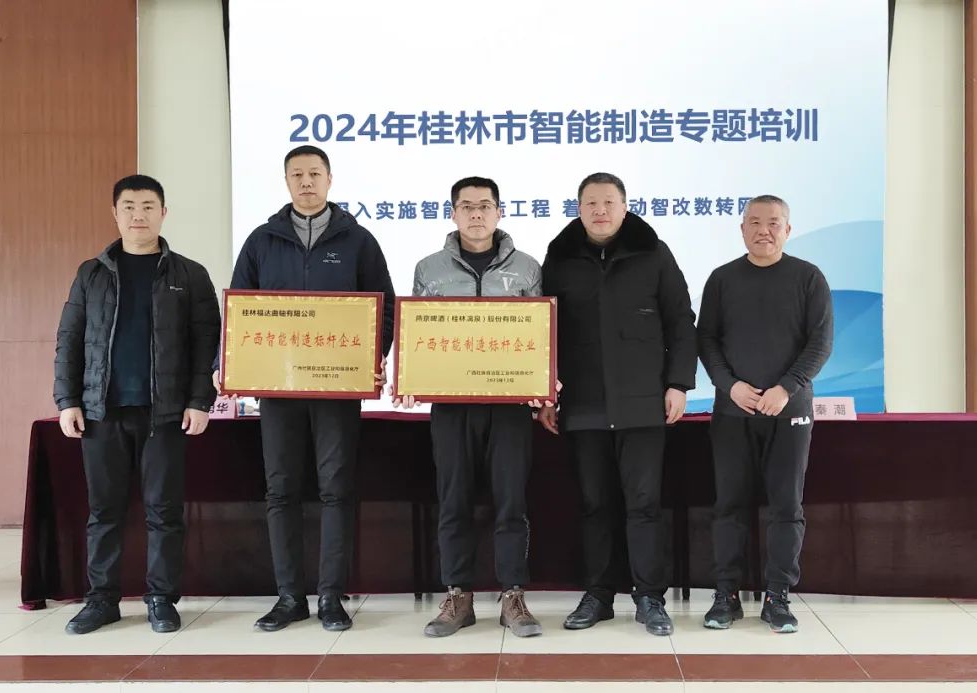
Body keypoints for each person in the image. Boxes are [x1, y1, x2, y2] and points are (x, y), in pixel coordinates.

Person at [217, 145, 395, 632]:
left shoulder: (358, 240)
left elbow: (384, 310)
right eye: (297, 175)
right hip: (278, 389)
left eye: (315, 173)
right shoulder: (261, 241)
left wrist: (370, 359)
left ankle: (332, 597)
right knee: (281, 491)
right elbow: (239, 313)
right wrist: (224, 363)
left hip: (338, 391)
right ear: (286, 182)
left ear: (330, 179)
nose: (306, 182)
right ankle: (290, 597)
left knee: (336, 490)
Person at [54, 174, 220, 634]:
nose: (138, 215)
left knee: (164, 511)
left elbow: (207, 343)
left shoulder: (189, 274)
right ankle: (101, 600)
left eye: (148, 206)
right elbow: (69, 338)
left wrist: (200, 400)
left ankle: (161, 599)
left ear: (163, 213)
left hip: (164, 414)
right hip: (101, 411)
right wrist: (67, 400)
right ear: (115, 213)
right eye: (128, 206)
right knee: (104, 511)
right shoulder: (91, 273)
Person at [538, 172, 697, 636]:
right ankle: (599, 594)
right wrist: (545, 392)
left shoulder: (654, 253)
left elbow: (680, 322)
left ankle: (650, 597)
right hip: (583, 404)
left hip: (643, 403)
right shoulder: (560, 257)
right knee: (594, 505)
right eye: (591, 203)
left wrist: (678, 384)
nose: (600, 210)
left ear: (625, 207)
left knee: (644, 505)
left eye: (609, 202)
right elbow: (543, 329)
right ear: (579, 209)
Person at [393, 176, 545, 638]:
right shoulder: (430, 268)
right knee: (453, 500)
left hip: (510, 405)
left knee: (511, 501)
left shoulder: (527, 268)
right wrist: (410, 378)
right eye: (466, 206)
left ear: (500, 212)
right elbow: (418, 334)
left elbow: (541, 333)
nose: (476, 214)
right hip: (452, 404)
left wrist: (542, 380)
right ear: (453, 213)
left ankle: (513, 595)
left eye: (484, 206)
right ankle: (458, 596)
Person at [696, 194, 833, 633]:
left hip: (789, 413)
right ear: (742, 229)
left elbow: (820, 343)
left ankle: (778, 596)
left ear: (787, 230)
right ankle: (726, 595)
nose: (764, 230)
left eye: (773, 222)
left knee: (786, 507)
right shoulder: (722, 279)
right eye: (754, 222)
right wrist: (730, 386)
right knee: (728, 506)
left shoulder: (808, 278)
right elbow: (706, 340)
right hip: (732, 411)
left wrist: (785, 388)